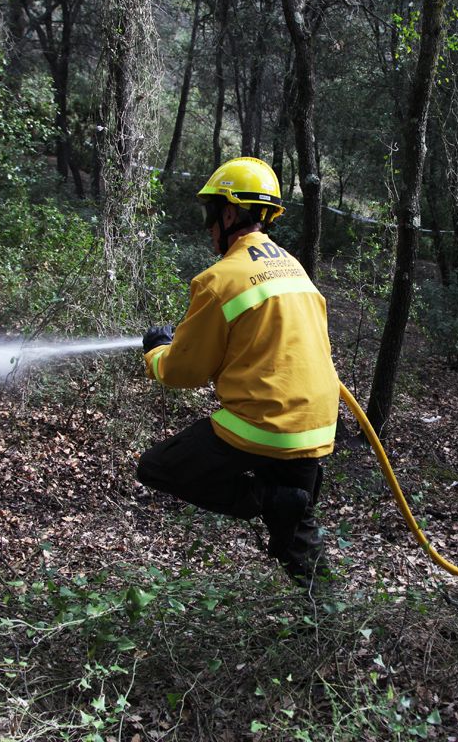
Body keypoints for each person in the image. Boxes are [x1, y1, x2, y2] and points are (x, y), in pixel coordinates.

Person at [136, 157, 338, 591]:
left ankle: (268, 498)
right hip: (316, 427)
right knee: (296, 537)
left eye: (212, 212)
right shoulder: (294, 267)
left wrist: (156, 352)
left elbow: (185, 371)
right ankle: (330, 622)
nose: (209, 225)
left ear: (229, 213)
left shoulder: (219, 278)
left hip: (264, 424)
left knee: (156, 467)